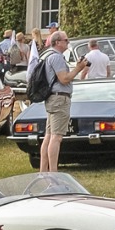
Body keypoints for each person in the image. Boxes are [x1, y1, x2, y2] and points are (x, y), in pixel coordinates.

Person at [40, 30, 86, 174]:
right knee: (56, 137)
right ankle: (53, 173)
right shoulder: (57, 58)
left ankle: (43, 171)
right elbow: (64, 78)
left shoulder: (49, 56)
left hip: (53, 98)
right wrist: (78, 69)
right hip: (60, 98)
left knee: (48, 135)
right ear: (58, 42)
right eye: (66, 40)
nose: (68, 43)